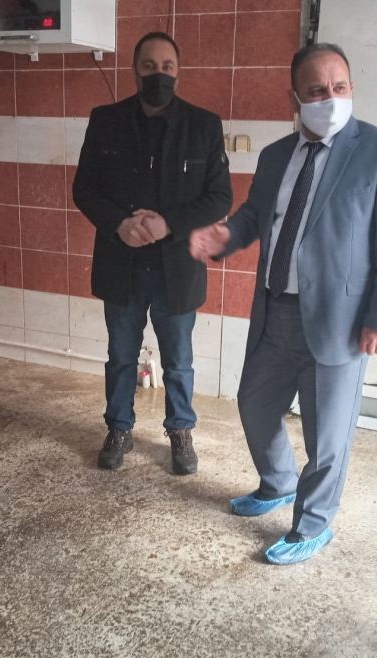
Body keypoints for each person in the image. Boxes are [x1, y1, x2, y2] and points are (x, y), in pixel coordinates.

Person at [189, 43, 377, 565]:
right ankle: (279, 482)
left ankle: (313, 524)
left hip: (341, 321)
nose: (329, 98)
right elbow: (255, 216)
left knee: (326, 434)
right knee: (254, 404)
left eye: (339, 87)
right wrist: (225, 236)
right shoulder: (275, 156)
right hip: (275, 310)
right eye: (316, 91)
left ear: (352, 89)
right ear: (294, 98)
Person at [73, 32, 232, 476]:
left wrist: (169, 224)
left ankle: (180, 430)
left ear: (178, 72)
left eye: (167, 67)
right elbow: (84, 188)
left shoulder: (204, 126)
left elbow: (220, 197)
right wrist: (120, 224)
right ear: (134, 70)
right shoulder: (105, 120)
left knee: (178, 360)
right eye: (149, 66)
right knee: (121, 356)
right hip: (121, 262)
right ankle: (118, 428)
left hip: (176, 267)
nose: (158, 75)